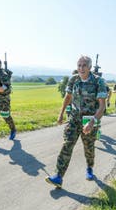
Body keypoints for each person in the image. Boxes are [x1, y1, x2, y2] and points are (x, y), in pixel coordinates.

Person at [46, 55, 107, 187]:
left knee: (89, 147)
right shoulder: (73, 79)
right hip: (74, 118)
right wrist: (61, 114)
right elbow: (68, 97)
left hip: (90, 119)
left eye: (84, 65)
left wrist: (92, 122)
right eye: (79, 65)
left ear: (90, 67)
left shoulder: (99, 82)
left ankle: (90, 167)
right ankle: (58, 176)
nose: (81, 68)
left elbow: (102, 106)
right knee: (67, 144)